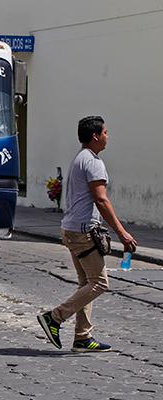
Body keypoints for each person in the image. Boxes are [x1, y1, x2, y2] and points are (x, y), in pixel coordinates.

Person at [38, 116, 137, 352]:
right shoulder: (93, 162)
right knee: (100, 283)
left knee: (86, 283)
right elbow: (101, 199)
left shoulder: (80, 158)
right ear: (95, 136)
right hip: (83, 231)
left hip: (72, 229)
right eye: (105, 132)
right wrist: (122, 233)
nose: (107, 136)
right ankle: (55, 317)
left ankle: (82, 337)